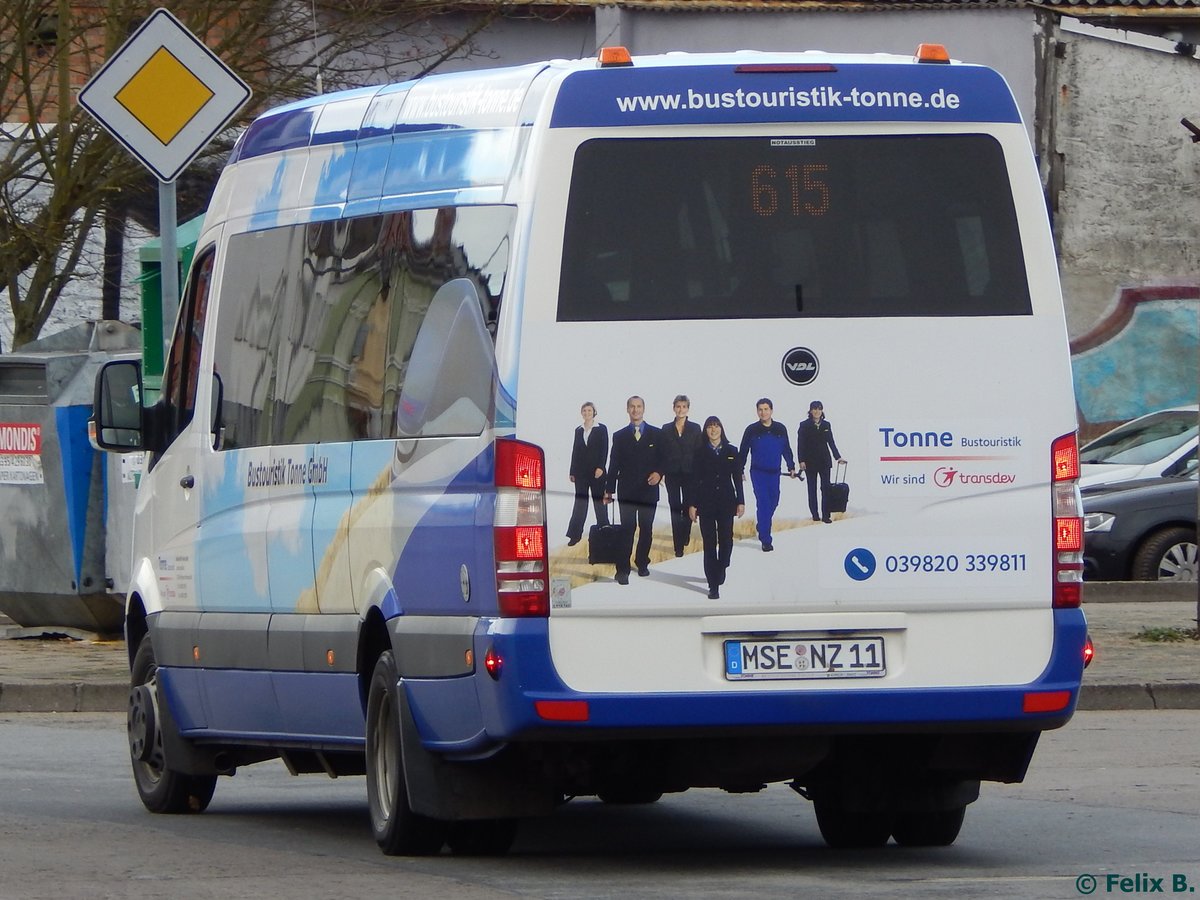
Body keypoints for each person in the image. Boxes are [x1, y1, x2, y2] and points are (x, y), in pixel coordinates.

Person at [604, 396, 663, 585]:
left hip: (648, 490)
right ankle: (622, 570)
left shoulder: (657, 434)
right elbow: (614, 464)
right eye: (632, 407)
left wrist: (659, 473)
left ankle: (642, 562)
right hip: (627, 491)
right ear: (627, 410)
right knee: (627, 530)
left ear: (644, 409)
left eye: (639, 406)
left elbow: (665, 459)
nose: (635, 410)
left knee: (646, 529)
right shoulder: (619, 436)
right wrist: (609, 490)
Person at [687, 416, 745, 599]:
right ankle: (713, 585)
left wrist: (740, 501)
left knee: (726, 541)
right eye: (710, 427)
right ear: (705, 431)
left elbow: (737, 478)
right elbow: (694, 481)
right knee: (710, 544)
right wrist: (692, 504)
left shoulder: (731, 451)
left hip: (727, 502)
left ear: (722, 429)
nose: (713, 430)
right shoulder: (699, 452)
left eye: (716, 426)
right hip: (706, 503)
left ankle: (723, 565)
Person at [737, 398, 796, 551]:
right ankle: (766, 539)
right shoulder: (751, 430)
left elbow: (786, 449)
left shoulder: (780, 429)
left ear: (771, 410)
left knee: (774, 501)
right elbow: (743, 450)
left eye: (766, 409)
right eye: (760, 410)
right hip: (758, 472)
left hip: (774, 473)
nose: (763, 412)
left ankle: (762, 524)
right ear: (757, 412)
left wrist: (791, 466)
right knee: (763, 503)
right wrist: (740, 469)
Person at [659, 394, 704, 557]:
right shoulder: (665, 429)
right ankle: (678, 545)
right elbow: (662, 452)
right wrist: (661, 472)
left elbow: (699, 452)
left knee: (688, 505)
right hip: (671, 472)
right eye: (678, 406)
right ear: (673, 408)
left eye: (684, 407)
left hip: (690, 472)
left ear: (688, 409)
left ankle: (685, 533)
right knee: (674, 506)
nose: (681, 409)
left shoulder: (695, 428)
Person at [566, 401, 609, 546]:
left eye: (589, 410)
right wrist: (572, 471)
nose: (587, 413)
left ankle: (604, 530)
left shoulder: (601, 428)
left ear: (594, 412)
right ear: (581, 413)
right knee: (580, 503)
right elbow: (575, 451)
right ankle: (574, 535)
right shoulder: (578, 430)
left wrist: (601, 467)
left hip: (597, 472)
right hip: (581, 473)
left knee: (599, 503)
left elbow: (604, 449)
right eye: (584, 411)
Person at [796, 400, 846, 523]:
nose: (817, 411)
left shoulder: (826, 425)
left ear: (822, 410)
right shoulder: (804, 425)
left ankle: (825, 515)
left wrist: (838, 457)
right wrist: (801, 460)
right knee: (811, 489)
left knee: (826, 489)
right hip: (809, 462)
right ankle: (815, 514)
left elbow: (831, 442)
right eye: (814, 409)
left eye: (819, 409)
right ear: (810, 411)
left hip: (824, 461)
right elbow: (800, 444)